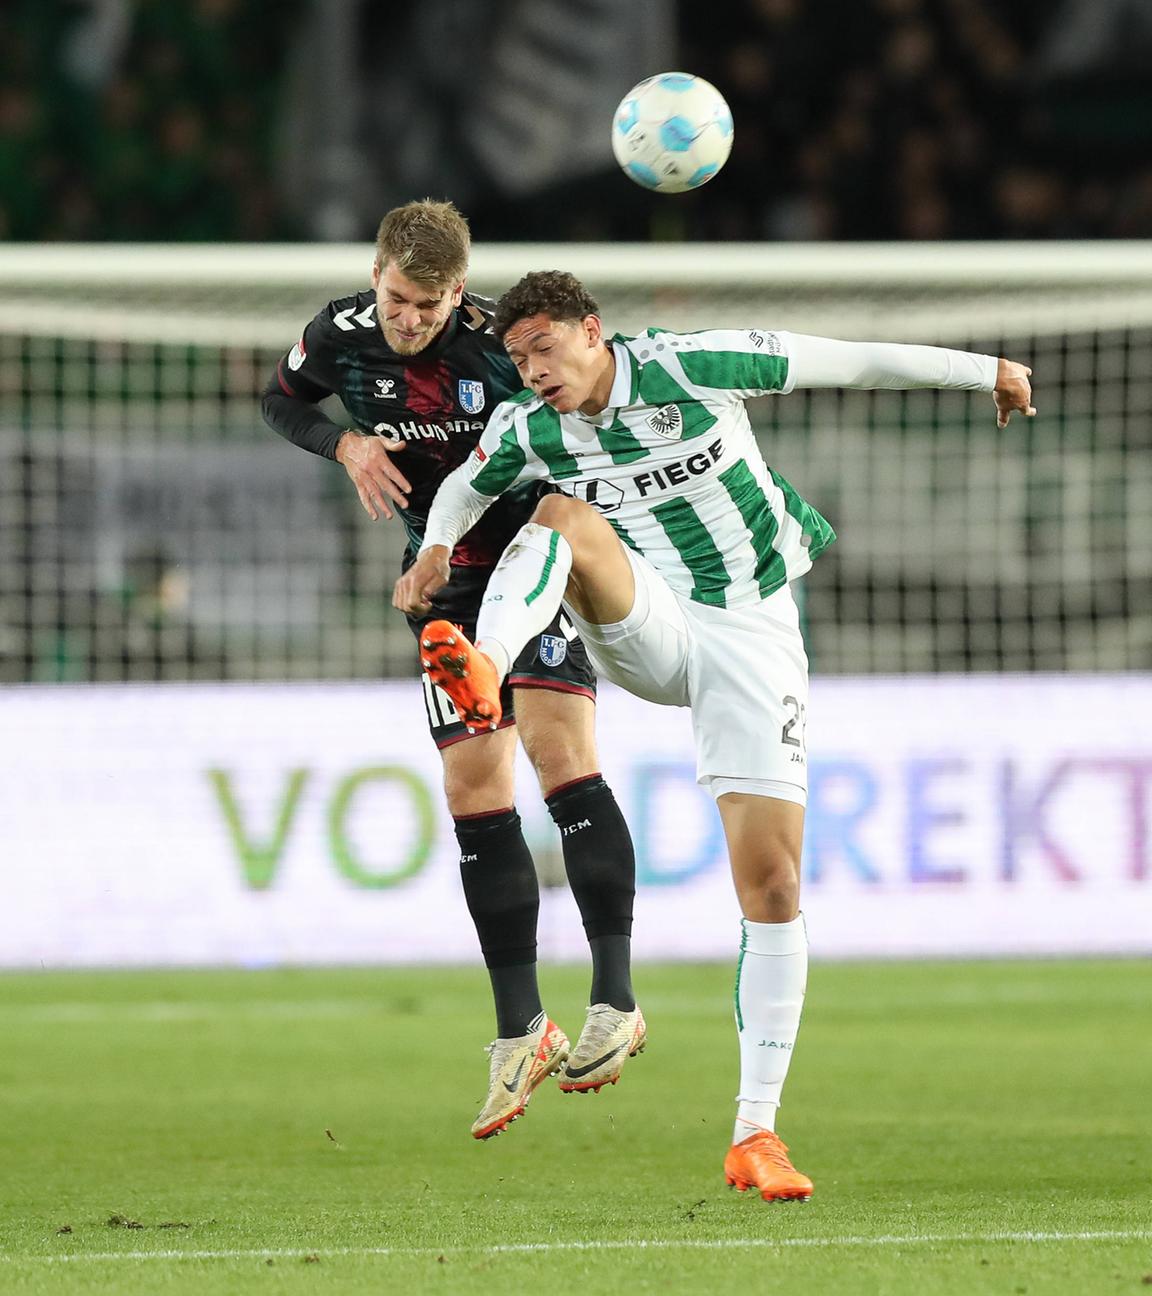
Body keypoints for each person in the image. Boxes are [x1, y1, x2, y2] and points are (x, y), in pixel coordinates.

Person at [394, 269, 1036, 1199]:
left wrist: (984, 372)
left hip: (750, 632)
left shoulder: (695, 366)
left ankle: (755, 1136)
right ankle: (486, 665)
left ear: (592, 330)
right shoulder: (530, 429)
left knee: (772, 883)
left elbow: (848, 363)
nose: (533, 371)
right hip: (645, 621)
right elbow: (461, 488)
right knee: (559, 516)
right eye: (518, 356)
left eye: (546, 349)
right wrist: (433, 548)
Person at [260, 209, 645, 1141]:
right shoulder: (337, 337)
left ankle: (615, 999)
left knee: (562, 763)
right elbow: (279, 402)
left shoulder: (495, 348)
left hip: (534, 564)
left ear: (458, 293)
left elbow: (592, 398)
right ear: (377, 277)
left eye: (430, 306)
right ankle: (521, 1027)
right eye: (398, 299)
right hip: (440, 591)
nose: (410, 320)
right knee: (474, 790)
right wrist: (345, 444)